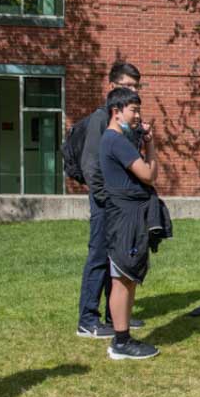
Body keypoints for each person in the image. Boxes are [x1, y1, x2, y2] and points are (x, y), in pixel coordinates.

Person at [75, 62, 142, 338]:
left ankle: (114, 316)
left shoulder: (125, 123)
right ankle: (87, 319)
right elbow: (90, 165)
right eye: (127, 85)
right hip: (106, 202)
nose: (133, 90)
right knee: (99, 256)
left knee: (116, 259)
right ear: (112, 86)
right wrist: (105, 199)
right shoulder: (101, 120)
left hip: (119, 203)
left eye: (136, 86)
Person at [99, 86, 162, 360]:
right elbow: (148, 174)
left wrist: (143, 138)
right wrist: (151, 144)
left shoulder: (117, 139)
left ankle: (122, 338)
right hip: (125, 217)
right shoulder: (115, 141)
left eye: (139, 109)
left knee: (128, 277)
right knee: (122, 278)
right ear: (116, 111)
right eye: (133, 110)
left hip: (127, 215)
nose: (138, 115)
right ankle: (120, 342)